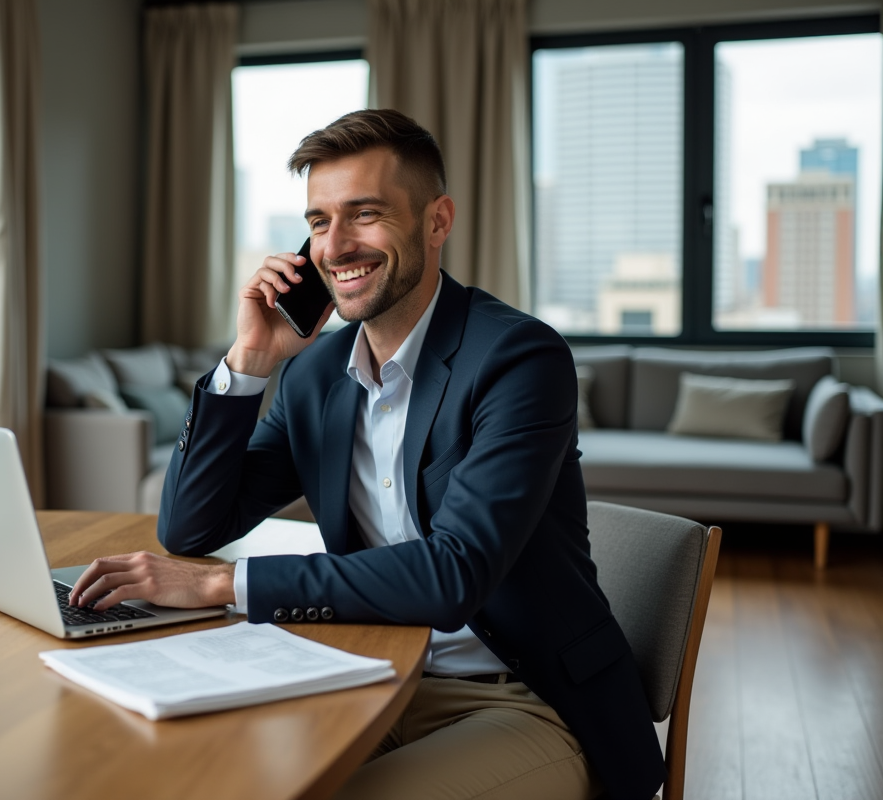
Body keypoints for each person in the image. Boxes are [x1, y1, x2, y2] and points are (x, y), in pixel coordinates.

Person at [70, 109, 665, 800]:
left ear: (437, 222)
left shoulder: (517, 359)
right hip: (370, 672)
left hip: (522, 698)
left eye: (365, 214)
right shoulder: (316, 375)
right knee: (200, 775)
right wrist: (250, 362)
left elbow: (452, 576)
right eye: (319, 222)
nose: (336, 245)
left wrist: (220, 586)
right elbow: (191, 527)